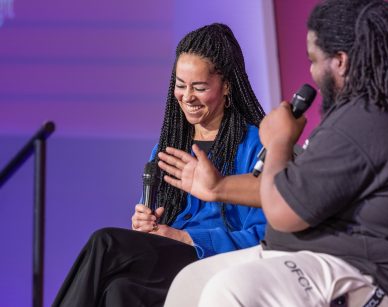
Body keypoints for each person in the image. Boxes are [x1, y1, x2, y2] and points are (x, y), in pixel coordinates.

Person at [160, 1, 388, 306]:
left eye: (314, 60)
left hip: (376, 278)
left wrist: (278, 143)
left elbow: (282, 212)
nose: (312, 73)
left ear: (340, 61)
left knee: (231, 289)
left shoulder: (364, 124)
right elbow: (295, 189)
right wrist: (217, 188)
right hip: (345, 262)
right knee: (192, 282)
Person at [52, 23, 267, 307]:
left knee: (107, 244)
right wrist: (144, 223)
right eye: (180, 85)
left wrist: (186, 237)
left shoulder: (256, 145)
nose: (187, 96)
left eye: (199, 87)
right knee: (119, 289)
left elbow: (264, 235)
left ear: (227, 85)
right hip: (169, 259)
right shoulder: (169, 145)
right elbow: (154, 217)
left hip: (217, 262)